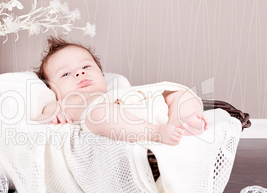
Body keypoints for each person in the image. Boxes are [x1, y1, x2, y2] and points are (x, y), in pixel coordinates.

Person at [35, 37, 208, 145]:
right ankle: (157, 133)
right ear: (53, 89)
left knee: (180, 93)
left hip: (144, 109)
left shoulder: (117, 91)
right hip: (120, 125)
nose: (80, 73)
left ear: (101, 74)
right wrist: (53, 116)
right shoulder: (64, 102)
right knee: (99, 113)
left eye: (86, 66)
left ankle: (181, 122)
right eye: (66, 74)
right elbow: (40, 118)